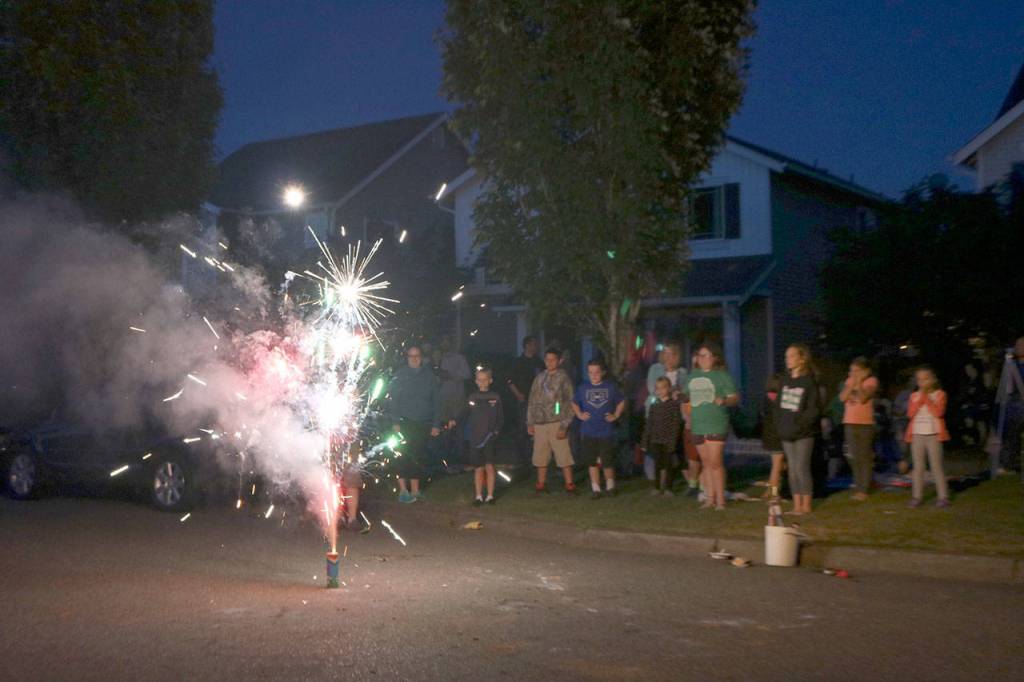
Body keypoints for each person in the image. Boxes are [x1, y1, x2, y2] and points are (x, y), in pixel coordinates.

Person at [685, 343, 739, 510]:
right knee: (706, 463)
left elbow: (734, 398)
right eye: (700, 355)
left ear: (715, 358)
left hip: (716, 423)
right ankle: (709, 498)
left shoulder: (722, 376)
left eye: (706, 355)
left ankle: (720, 500)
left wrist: (724, 400)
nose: (703, 359)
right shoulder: (692, 376)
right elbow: (686, 397)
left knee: (716, 462)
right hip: (698, 424)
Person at [387, 344, 441, 503]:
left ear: (421, 358)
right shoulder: (400, 375)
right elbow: (393, 400)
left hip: (423, 422)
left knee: (418, 456)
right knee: (403, 455)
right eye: (411, 356)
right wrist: (395, 420)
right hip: (404, 422)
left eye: (417, 355)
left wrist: (436, 423)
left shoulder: (429, 376)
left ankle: (415, 490)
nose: (414, 358)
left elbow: (437, 401)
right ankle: (403, 490)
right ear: (407, 358)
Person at [773, 344, 822, 515]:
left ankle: (806, 505)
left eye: (792, 356)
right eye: (786, 356)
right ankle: (797, 505)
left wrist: (800, 424)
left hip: (803, 433)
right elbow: (778, 406)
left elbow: (813, 409)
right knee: (792, 469)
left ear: (801, 359)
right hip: (787, 431)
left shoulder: (808, 381)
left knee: (802, 467)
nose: (788, 360)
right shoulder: (785, 380)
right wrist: (780, 424)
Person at [572, 359, 625, 499]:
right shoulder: (583, 388)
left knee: (607, 460)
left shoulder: (610, 387)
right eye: (590, 372)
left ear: (602, 372)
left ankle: (610, 486)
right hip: (588, 431)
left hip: (606, 431)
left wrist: (616, 415)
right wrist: (579, 414)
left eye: (596, 372)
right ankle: (596, 489)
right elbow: (574, 402)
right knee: (591, 461)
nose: (594, 375)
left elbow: (621, 401)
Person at [527, 347, 576, 494]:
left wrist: (565, 424)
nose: (549, 362)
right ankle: (541, 484)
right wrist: (530, 422)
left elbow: (570, 401)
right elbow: (532, 400)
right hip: (540, 422)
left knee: (563, 455)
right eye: (547, 359)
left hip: (557, 421)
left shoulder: (563, 378)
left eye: (553, 360)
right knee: (541, 456)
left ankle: (569, 485)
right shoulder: (539, 377)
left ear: (559, 361)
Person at [905, 365, 950, 508]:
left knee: (936, 466)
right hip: (917, 434)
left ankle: (943, 497)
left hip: (934, 435)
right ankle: (916, 497)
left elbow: (938, 413)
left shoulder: (940, 394)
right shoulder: (914, 396)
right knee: (918, 467)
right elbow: (910, 414)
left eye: (926, 379)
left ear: (933, 380)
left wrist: (926, 398)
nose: (922, 382)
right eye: (919, 379)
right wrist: (920, 399)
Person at [840, 356, 878, 500]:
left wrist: (859, 383)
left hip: (865, 424)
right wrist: (851, 385)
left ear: (866, 371)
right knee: (854, 457)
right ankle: (858, 485)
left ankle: (864, 489)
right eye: (851, 371)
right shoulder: (849, 382)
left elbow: (863, 399)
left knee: (864, 457)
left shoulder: (871, 381)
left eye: (857, 370)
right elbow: (843, 398)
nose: (853, 373)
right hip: (849, 422)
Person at [464, 367, 503, 506]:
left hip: (490, 438)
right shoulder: (472, 397)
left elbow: (500, 418)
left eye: (485, 379)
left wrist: (496, 431)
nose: (482, 382)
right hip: (476, 438)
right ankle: (479, 496)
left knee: (490, 466)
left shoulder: (495, 397)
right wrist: (454, 421)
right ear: (476, 381)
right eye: (479, 380)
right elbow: (465, 413)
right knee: (478, 468)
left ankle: (490, 495)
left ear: (490, 380)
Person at [506, 336, 544, 472]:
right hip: (524, 400)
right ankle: (521, 459)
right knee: (523, 428)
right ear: (527, 345)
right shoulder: (519, 362)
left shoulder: (538, 361)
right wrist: (518, 394)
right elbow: (509, 380)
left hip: (538, 401)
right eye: (534, 344)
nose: (536, 346)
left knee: (537, 429)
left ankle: (535, 458)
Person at [642, 377, 683, 495]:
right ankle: (657, 487)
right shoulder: (654, 405)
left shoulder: (673, 405)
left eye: (663, 387)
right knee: (657, 465)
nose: (660, 391)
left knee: (668, 465)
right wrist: (645, 441)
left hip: (668, 440)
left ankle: (669, 488)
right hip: (656, 440)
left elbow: (676, 424)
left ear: (669, 388)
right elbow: (649, 424)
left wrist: (673, 441)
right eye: (657, 388)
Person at [437, 336, 471, 472]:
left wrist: (451, 375)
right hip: (443, 400)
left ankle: (460, 460)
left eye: (447, 342)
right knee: (445, 430)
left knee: (458, 430)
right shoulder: (438, 357)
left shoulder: (459, 358)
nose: (444, 344)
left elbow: (467, 374)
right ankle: (446, 460)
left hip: (457, 399)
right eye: (442, 342)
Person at [997, 337, 1024, 474]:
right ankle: (1007, 463)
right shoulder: (1012, 364)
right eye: (1018, 345)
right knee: (1010, 434)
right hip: (1013, 402)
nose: (1019, 347)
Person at [761, 374, 785, 498]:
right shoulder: (781, 399)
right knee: (777, 467)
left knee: (775, 466)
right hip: (778, 436)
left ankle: (769, 491)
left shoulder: (766, 398)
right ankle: (775, 493)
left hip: (769, 435)